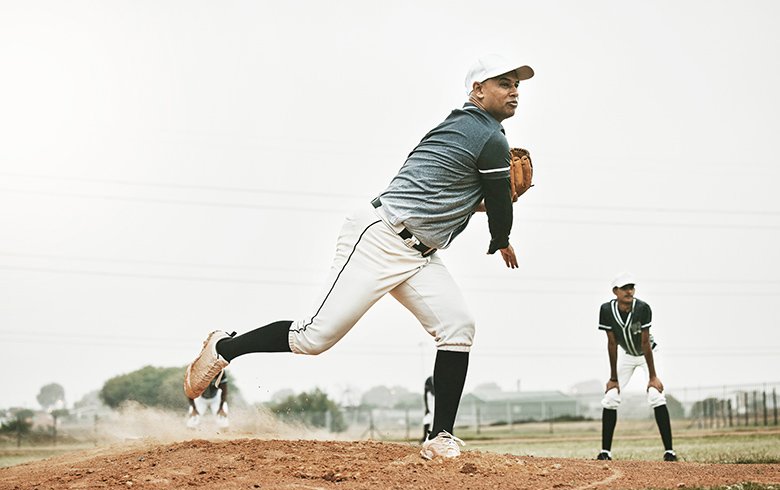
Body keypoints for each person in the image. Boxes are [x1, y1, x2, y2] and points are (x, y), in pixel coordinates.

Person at [184, 53, 535, 460]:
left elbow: (450, 193)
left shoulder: (463, 128)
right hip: (379, 239)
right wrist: (501, 236)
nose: (513, 91)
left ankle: (440, 437)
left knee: (458, 326)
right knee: (312, 338)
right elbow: (496, 201)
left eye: (517, 85)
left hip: (419, 254)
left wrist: (483, 204)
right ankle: (225, 347)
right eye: (503, 83)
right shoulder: (489, 136)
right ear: (478, 90)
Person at [596, 272, 677, 462]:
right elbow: (611, 343)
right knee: (610, 397)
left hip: (648, 354)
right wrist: (613, 378)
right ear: (615, 291)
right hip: (626, 355)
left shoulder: (642, 308)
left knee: (656, 395)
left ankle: (670, 452)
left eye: (631, 287)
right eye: (624, 288)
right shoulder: (606, 310)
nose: (629, 291)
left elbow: (645, 342)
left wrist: (653, 377)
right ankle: (605, 452)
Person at [421, 375, 435, 443]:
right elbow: (426, 394)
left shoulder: (441, 379)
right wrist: (427, 408)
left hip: (436, 403)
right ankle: (424, 437)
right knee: (427, 419)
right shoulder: (429, 380)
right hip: (431, 404)